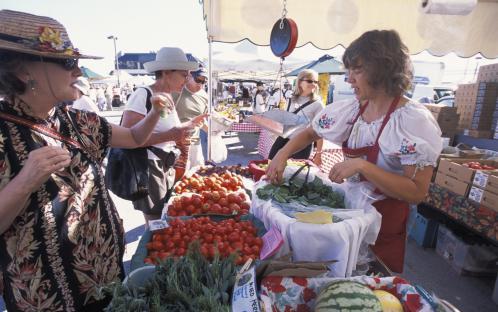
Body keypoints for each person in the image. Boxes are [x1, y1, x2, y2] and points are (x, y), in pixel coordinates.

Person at [0, 10, 173, 311]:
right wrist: (24, 182)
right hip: (49, 296)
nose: (78, 71)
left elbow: (133, 138)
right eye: (68, 62)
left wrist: (156, 112)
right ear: (22, 70)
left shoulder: (80, 121)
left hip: (107, 279)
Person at [265, 30, 442, 273]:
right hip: (349, 214)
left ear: (383, 70)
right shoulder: (352, 110)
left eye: (357, 71)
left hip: (383, 226)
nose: (349, 79)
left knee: (370, 285)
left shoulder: (412, 121)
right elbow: (310, 132)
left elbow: (416, 192)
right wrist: (282, 154)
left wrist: (362, 166)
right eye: (349, 70)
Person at [121, 47, 207, 226]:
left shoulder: (167, 97)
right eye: (184, 75)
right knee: (155, 223)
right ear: (167, 72)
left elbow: (166, 130)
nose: (187, 79)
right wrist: (170, 135)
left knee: (163, 218)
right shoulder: (143, 94)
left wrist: (189, 124)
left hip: (163, 166)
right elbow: (126, 137)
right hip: (147, 169)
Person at [267, 69, 324, 162]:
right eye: (310, 81)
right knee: (271, 165)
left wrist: (318, 153)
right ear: (300, 82)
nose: (314, 84)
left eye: (316, 82)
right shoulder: (290, 99)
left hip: (301, 144)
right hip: (284, 140)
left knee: (292, 173)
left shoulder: (318, 104)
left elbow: (320, 131)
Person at [174, 66, 209, 170]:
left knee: (198, 173)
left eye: (204, 82)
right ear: (189, 76)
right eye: (198, 79)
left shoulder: (204, 96)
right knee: (179, 177)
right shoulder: (177, 92)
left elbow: (203, 120)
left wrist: (213, 133)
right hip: (177, 143)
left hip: (195, 142)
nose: (200, 84)